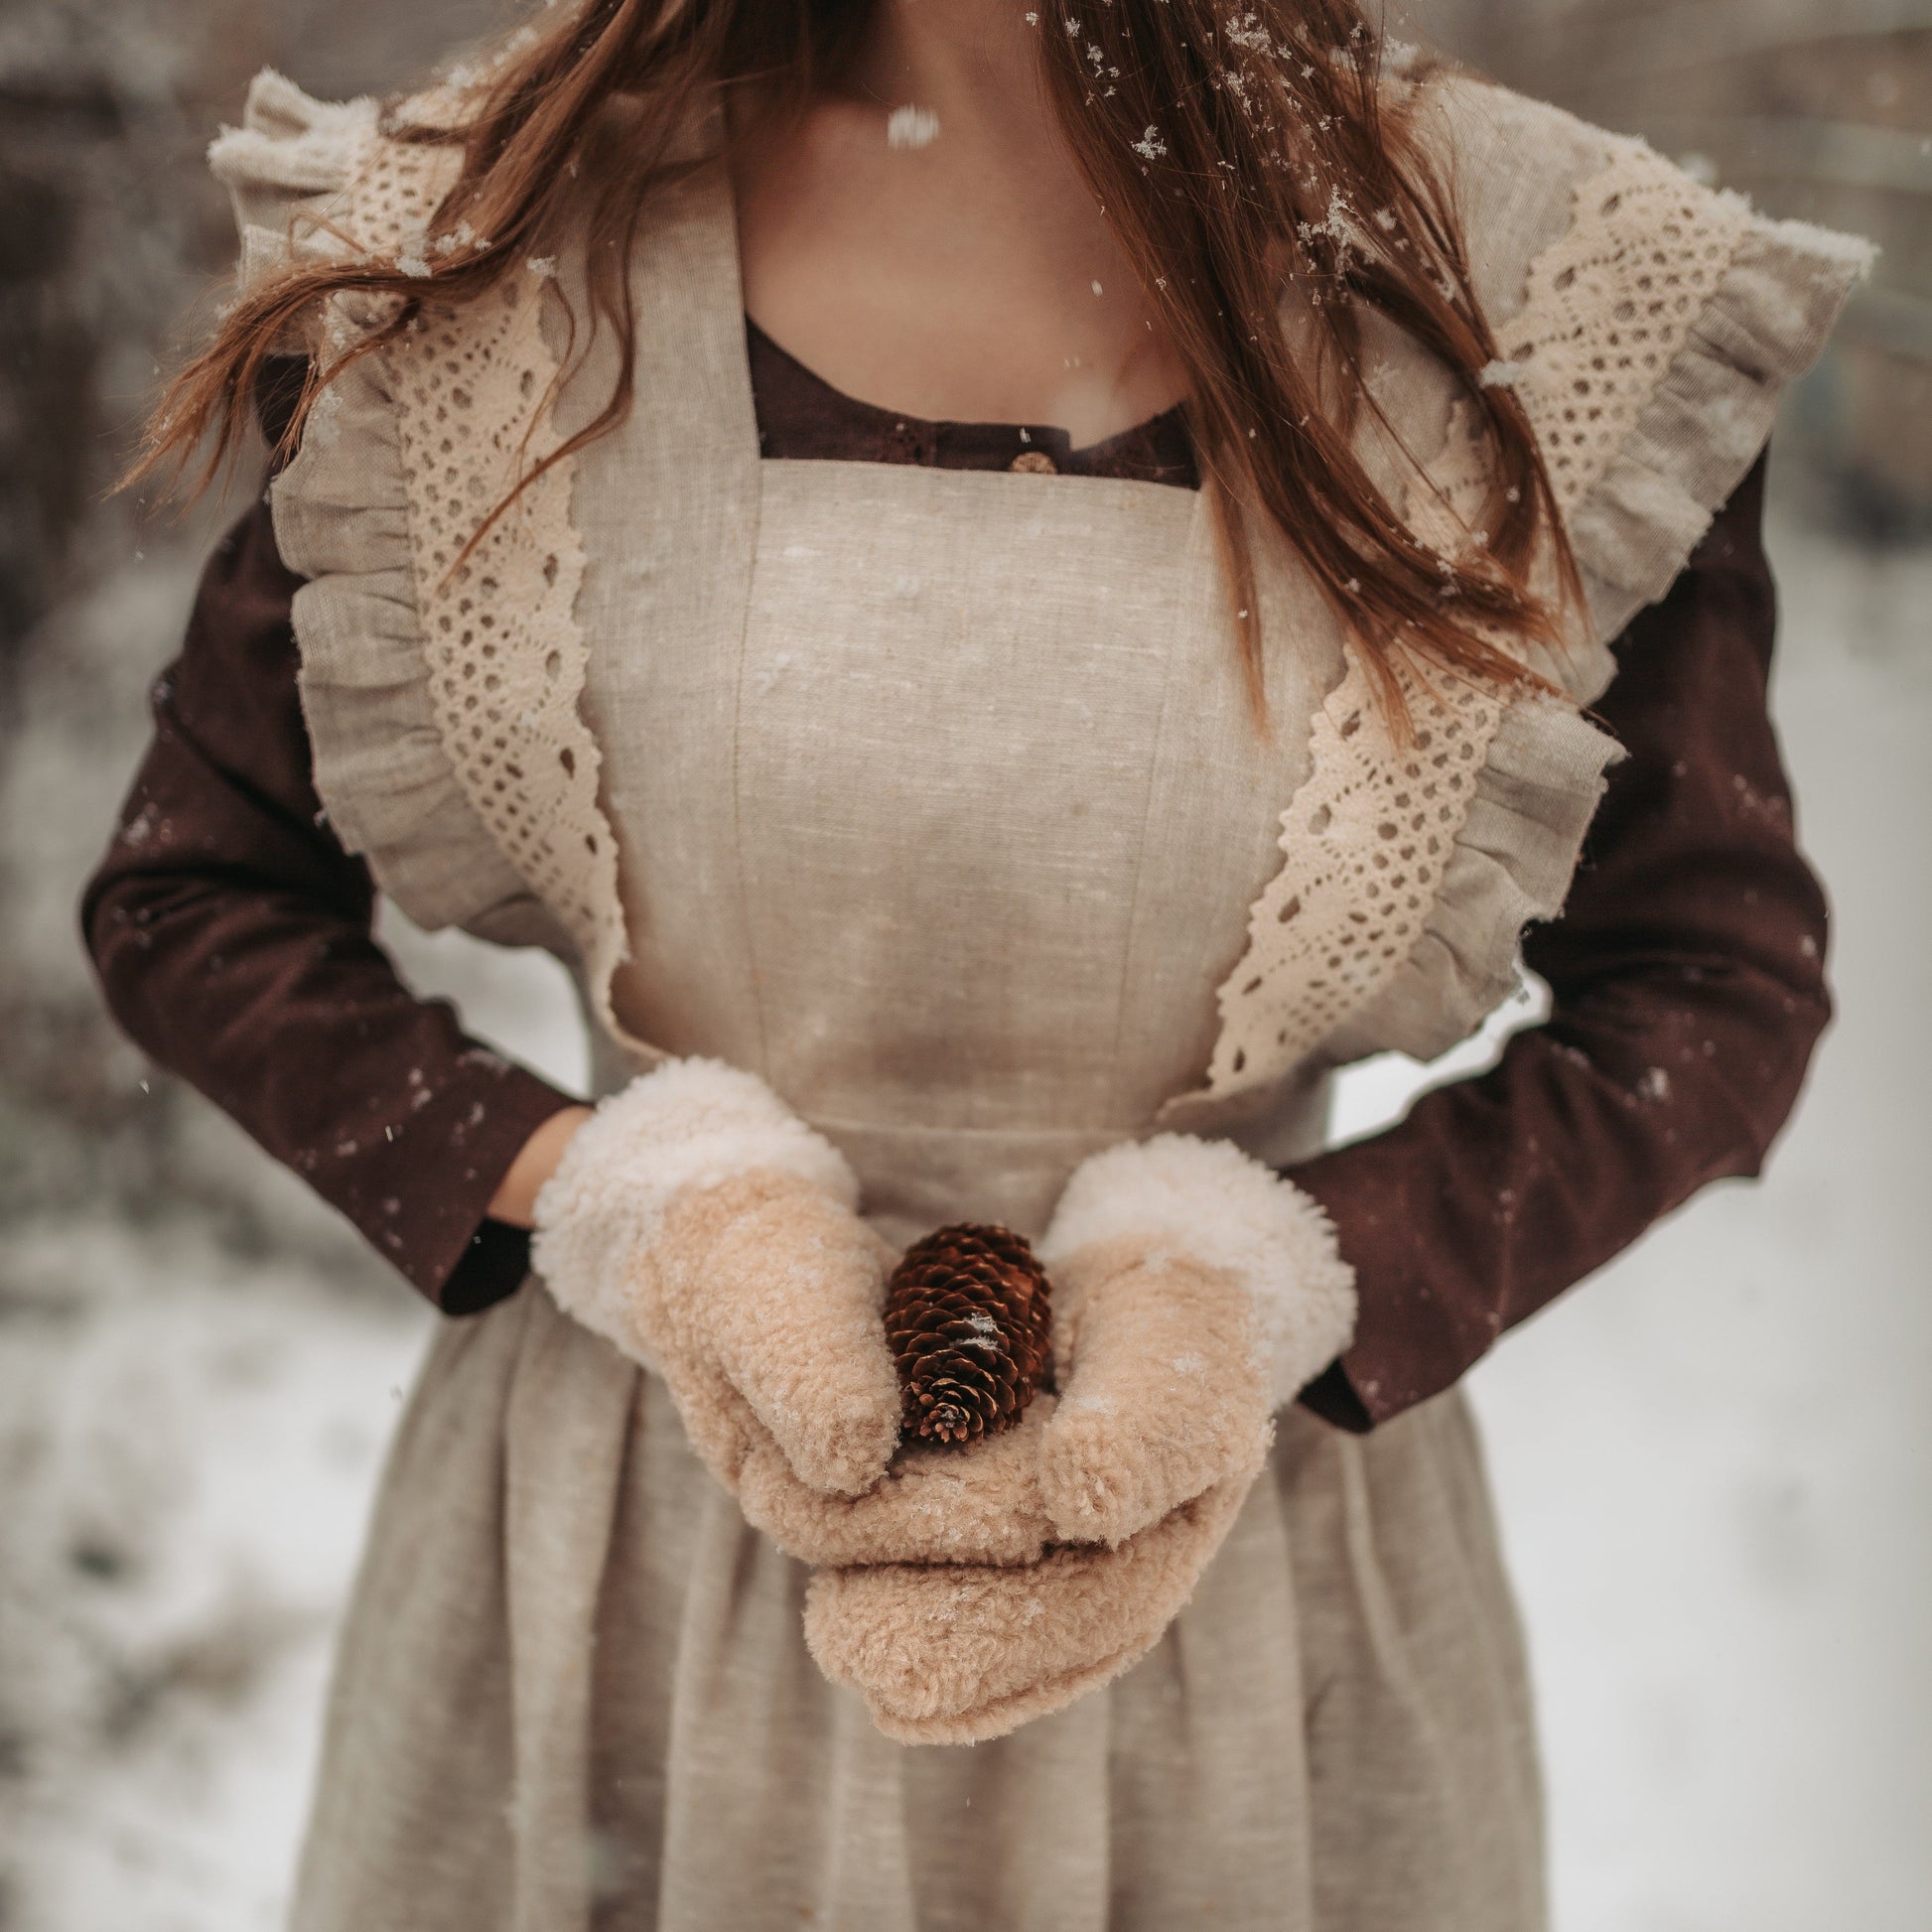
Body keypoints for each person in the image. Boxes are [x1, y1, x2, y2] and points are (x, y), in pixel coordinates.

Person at [82, 0, 1868, 1922]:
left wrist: (1272, 1275)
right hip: (616, 1616)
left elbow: (1709, 987)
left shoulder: (1534, 288)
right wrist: (625, 1201)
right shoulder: (482, 243)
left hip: (1244, 1629)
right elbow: (195, 895)